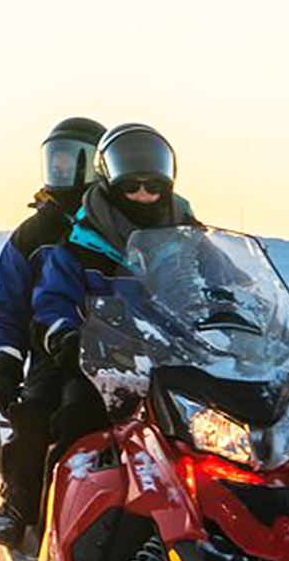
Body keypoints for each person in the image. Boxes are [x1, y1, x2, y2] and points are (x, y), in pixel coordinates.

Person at [31, 123, 199, 461]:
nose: (142, 194)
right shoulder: (79, 246)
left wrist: (266, 321)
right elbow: (52, 302)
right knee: (74, 431)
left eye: (152, 186)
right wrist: (65, 335)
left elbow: (232, 284)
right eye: (131, 186)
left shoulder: (188, 237)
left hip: (183, 364)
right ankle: (49, 508)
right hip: (105, 369)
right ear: (111, 185)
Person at [0, 117, 107, 546]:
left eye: (78, 161)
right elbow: (8, 307)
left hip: (133, 354)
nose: (66, 172)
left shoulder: (120, 225)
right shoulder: (34, 235)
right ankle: (20, 502)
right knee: (37, 415)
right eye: (57, 161)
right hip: (56, 356)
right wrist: (4, 363)